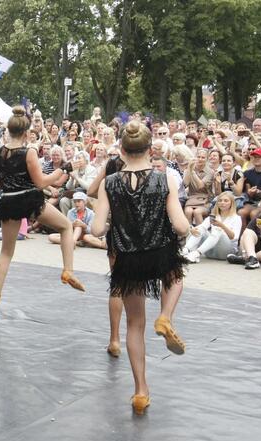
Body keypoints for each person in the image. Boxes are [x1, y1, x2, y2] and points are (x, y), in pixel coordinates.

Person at [91, 120, 191, 415]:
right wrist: (189, 228)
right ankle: (166, 316)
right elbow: (179, 225)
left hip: (127, 259)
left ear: (121, 150)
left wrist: (114, 219)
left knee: (135, 324)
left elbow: (97, 229)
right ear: (151, 149)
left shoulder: (110, 183)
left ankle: (140, 391)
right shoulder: (166, 180)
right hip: (160, 252)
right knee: (175, 278)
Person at [0, 106, 85, 315]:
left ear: (8, 130)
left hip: (8, 200)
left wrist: (1, 170)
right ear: (27, 133)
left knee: (6, 253)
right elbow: (41, 182)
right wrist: (64, 169)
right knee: (65, 227)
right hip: (28, 199)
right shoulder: (29, 152)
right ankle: (68, 271)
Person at [182, 191, 241, 263]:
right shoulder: (214, 216)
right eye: (220, 201)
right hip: (210, 252)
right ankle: (186, 250)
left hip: (226, 251)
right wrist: (193, 229)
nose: (222, 203)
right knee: (199, 228)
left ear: (231, 203)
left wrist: (222, 225)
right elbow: (202, 227)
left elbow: (234, 237)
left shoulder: (236, 218)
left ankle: (196, 253)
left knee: (217, 230)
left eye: (226, 201)